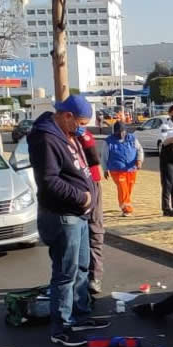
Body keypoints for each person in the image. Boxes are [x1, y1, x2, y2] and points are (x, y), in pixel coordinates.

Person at [27, 94, 106, 346]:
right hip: (63, 215)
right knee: (65, 272)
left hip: (79, 215)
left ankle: (80, 313)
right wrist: (80, 196)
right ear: (67, 115)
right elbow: (49, 181)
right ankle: (61, 326)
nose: (83, 127)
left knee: (82, 267)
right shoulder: (46, 138)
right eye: (80, 122)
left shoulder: (69, 135)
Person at [77, 126, 105, 297]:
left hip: (91, 182)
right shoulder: (59, 135)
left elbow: (95, 161)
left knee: (94, 231)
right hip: (74, 185)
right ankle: (78, 278)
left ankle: (94, 277)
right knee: (76, 234)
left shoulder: (83, 134)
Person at [101, 122, 144, 217]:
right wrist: (105, 169)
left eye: (122, 132)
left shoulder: (132, 139)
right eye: (118, 132)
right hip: (116, 170)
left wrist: (139, 160)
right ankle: (126, 208)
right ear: (114, 132)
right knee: (122, 187)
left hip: (131, 168)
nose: (121, 134)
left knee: (129, 188)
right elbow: (104, 156)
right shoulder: (109, 141)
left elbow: (139, 150)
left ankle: (124, 202)